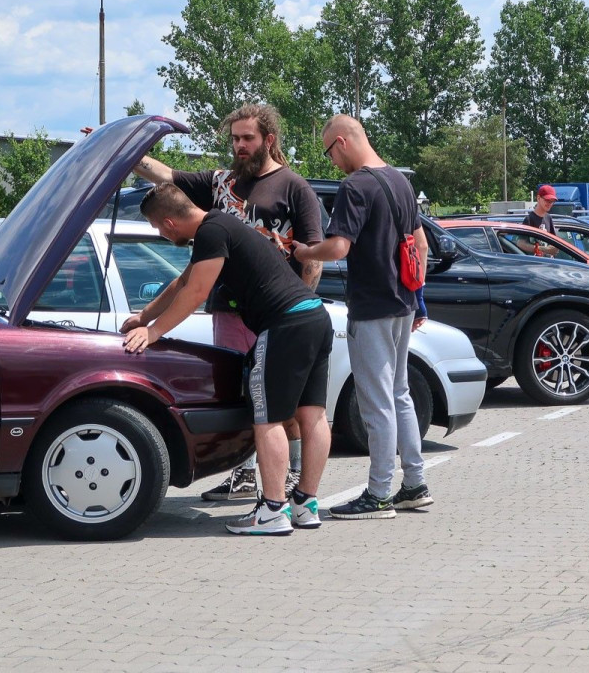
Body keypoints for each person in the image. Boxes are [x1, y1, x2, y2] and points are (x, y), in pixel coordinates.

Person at [132, 103, 323, 502]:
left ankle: (284, 487)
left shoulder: (293, 185)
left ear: (268, 140)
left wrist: (301, 300)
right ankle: (250, 476)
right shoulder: (220, 183)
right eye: (235, 138)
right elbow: (165, 176)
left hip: (281, 309)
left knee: (280, 404)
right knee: (247, 393)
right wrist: (124, 149)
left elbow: (314, 254)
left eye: (247, 138)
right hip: (235, 307)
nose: (239, 145)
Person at [123, 183, 333, 535]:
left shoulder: (212, 231)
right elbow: (184, 281)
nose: (160, 234)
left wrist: (155, 333)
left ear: (169, 223)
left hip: (285, 324)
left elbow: (197, 292)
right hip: (314, 316)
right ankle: (305, 504)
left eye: (157, 228)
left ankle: (272, 512)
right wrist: (144, 317)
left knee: (267, 419)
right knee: (313, 416)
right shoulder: (219, 226)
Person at [294, 115, 432, 519]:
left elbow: (337, 247)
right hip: (404, 304)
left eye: (329, 152)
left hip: (371, 307)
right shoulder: (400, 181)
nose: (333, 162)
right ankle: (415, 484)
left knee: (376, 402)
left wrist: (305, 253)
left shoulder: (356, 185)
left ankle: (378, 495)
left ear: (341, 142)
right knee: (399, 392)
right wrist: (418, 297)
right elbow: (419, 243)